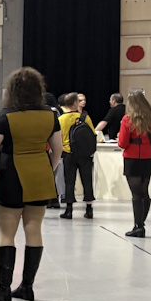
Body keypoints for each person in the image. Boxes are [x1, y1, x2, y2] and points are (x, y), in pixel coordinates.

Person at [0, 67, 62, 301]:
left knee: (6, 232)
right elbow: (57, 148)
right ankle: (27, 287)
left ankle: (3, 289)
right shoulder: (50, 115)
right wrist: (49, 169)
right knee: (34, 229)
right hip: (40, 175)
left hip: (12, 175)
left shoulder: (5, 116)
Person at [118, 91, 151, 238]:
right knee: (144, 192)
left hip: (132, 158)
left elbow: (122, 143)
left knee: (136, 194)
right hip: (147, 157)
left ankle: (138, 226)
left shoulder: (127, 119)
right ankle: (141, 223)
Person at [58, 92, 96, 220]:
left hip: (69, 154)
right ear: (75, 103)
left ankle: (69, 210)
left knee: (69, 182)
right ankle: (89, 209)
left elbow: (58, 137)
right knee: (87, 181)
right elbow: (92, 134)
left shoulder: (61, 119)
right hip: (84, 155)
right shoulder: (85, 118)